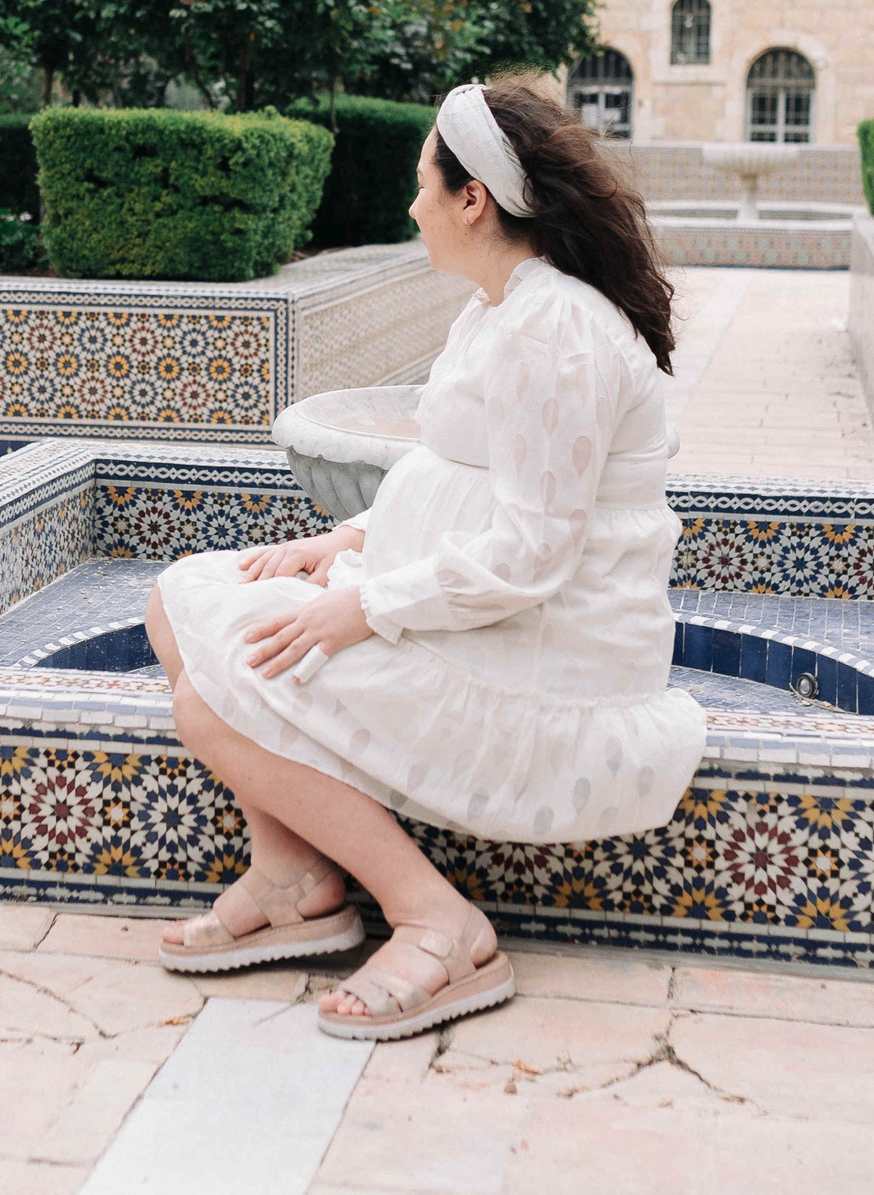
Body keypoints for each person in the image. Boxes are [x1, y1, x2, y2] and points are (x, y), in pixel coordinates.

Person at [141, 80, 708, 1041]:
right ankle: (296, 879)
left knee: (217, 684)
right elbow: (469, 474)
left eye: (422, 188)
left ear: (472, 199)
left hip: (542, 646)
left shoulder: (555, 331)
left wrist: (360, 609)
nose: (413, 209)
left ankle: (441, 921)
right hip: (470, 602)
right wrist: (349, 542)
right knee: (177, 600)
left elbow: (533, 549)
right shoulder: (503, 309)